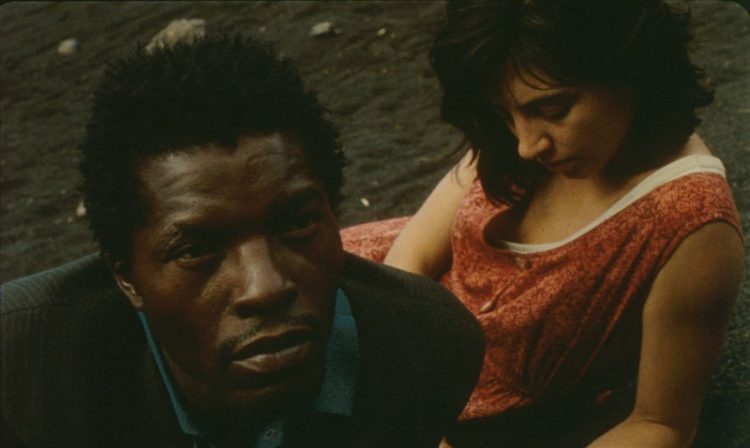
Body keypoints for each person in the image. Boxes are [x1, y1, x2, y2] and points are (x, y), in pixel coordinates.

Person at [0, 34, 485, 448]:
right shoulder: (23, 380)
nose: (265, 287)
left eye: (297, 225)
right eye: (196, 250)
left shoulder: (425, 348)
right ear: (126, 277)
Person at [342, 0, 745, 446]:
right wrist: (411, 412)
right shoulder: (522, 134)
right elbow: (407, 265)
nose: (527, 146)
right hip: (375, 321)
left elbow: (661, 424)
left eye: (553, 110)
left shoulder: (692, 222)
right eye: (506, 114)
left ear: (631, 74)